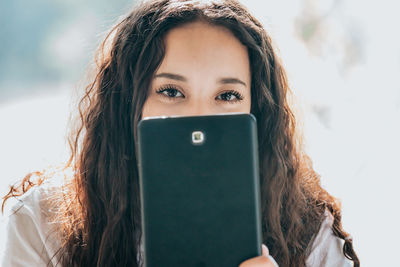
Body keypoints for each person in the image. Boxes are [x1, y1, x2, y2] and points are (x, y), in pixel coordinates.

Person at [1, 0, 360, 266]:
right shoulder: (39, 224)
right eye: (171, 92)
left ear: (257, 110)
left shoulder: (309, 234)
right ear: (129, 101)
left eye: (227, 96)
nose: (198, 118)